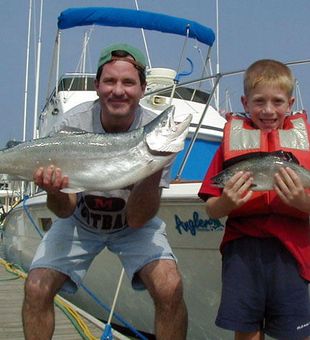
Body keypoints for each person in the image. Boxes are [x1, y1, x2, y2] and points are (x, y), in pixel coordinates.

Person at [22, 43, 188, 340]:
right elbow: (64, 210)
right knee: (36, 286)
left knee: (170, 286)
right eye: (110, 81)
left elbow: (138, 219)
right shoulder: (73, 122)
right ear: (97, 85)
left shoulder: (155, 129)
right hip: (79, 220)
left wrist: (152, 168)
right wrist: (53, 189)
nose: (118, 90)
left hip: (132, 226)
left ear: (142, 88)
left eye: (128, 82)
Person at [198, 59, 310, 340]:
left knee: (296, 333)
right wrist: (228, 202)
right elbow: (212, 209)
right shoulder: (230, 145)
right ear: (245, 103)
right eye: (259, 101)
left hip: (292, 251)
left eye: (277, 101)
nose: (268, 110)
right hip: (242, 253)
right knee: (246, 331)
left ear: (291, 102)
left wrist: (301, 202)